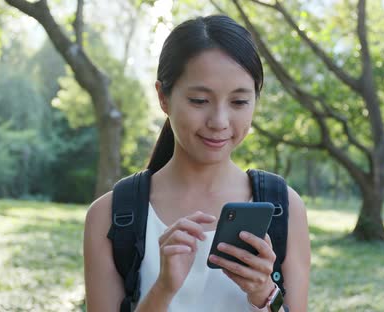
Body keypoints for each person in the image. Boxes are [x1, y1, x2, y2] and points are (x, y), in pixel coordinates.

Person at [83, 15, 310, 312]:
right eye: (200, 100)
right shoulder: (109, 216)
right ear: (163, 97)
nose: (219, 121)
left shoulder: (285, 209)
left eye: (239, 102)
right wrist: (163, 289)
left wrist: (265, 293)